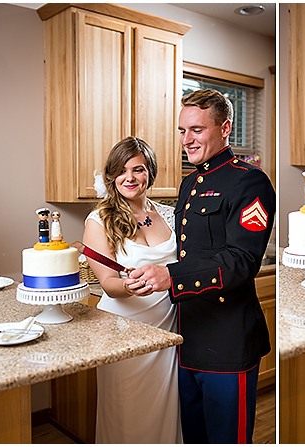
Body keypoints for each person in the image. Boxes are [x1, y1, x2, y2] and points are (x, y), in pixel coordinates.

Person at [129, 89, 275, 443]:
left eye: (197, 129)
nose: (187, 140)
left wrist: (170, 276)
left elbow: (241, 261)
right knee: (194, 436)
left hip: (228, 339)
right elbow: (188, 250)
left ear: (225, 128)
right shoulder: (189, 183)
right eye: (182, 131)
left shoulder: (249, 181)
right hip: (187, 335)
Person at [82, 136, 181, 443]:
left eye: (138, 169)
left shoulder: (169, 214)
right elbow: (109, 284)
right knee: (127, 414)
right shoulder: (99, 220)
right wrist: (129, 285)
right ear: (112, 175)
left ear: (150, 171)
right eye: (122, 170)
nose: (130, 177)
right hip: (123, 333)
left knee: (165, 410)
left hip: (167, 329)